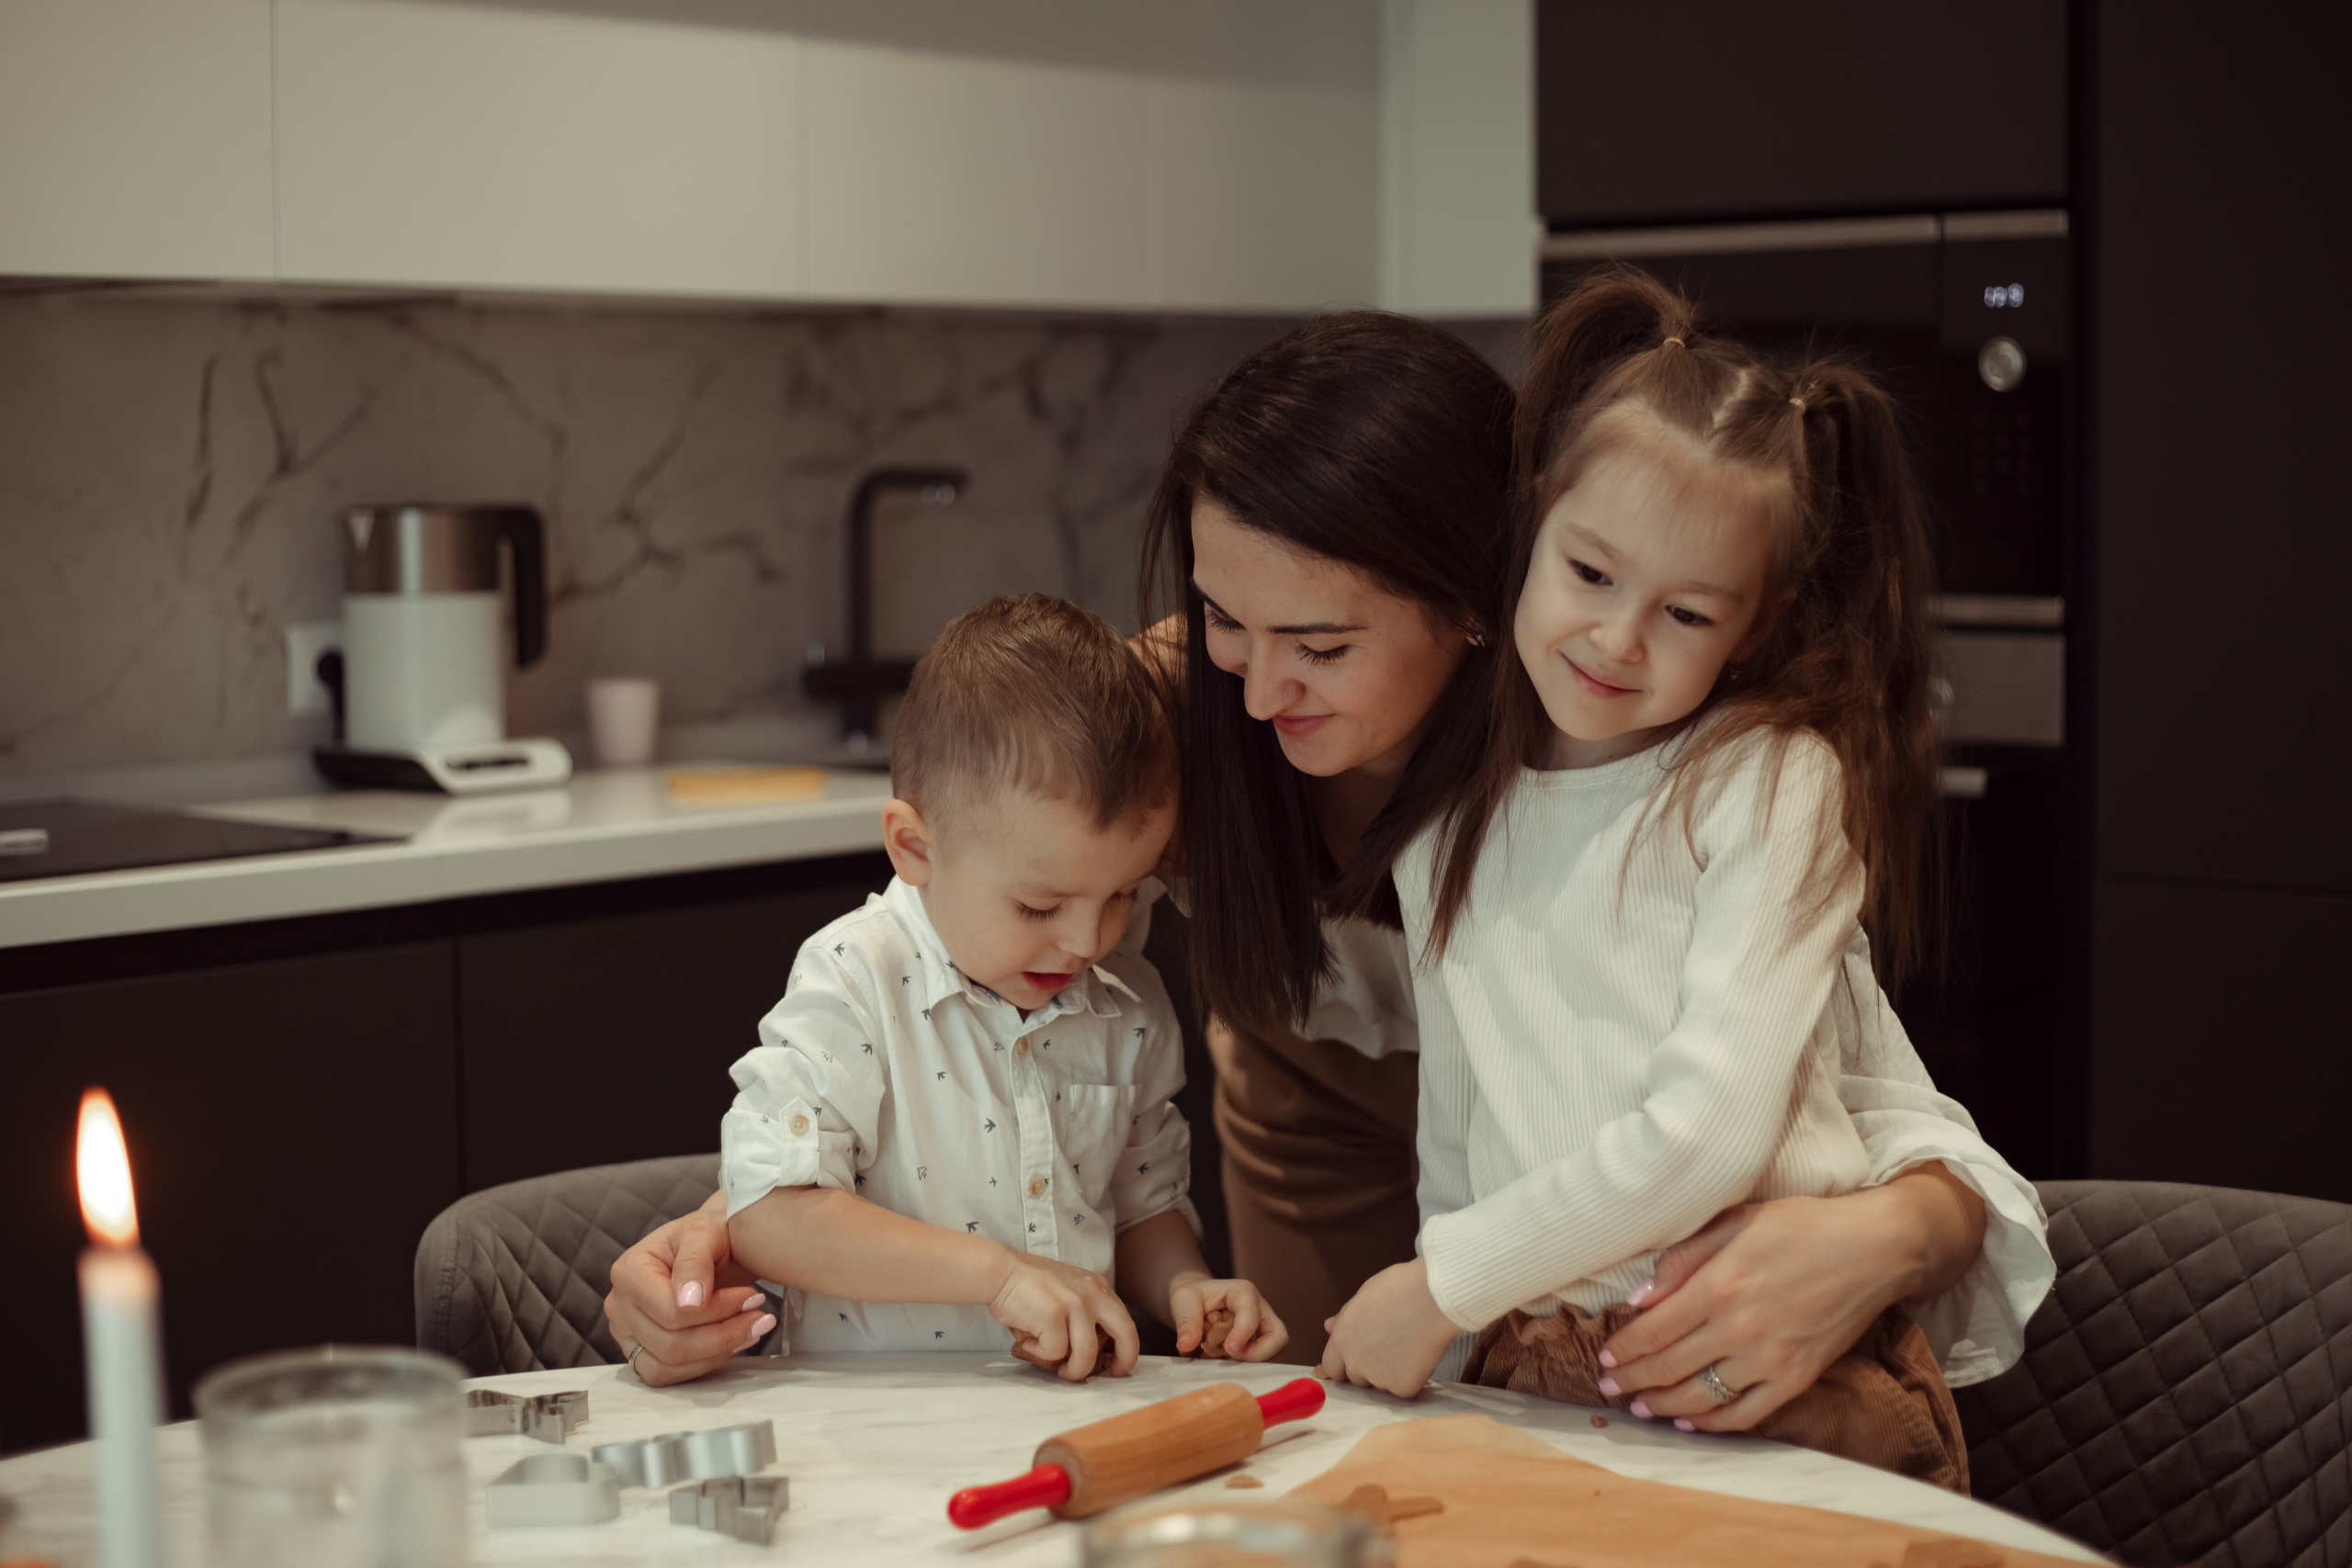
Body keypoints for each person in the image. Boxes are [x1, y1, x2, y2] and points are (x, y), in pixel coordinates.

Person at [606, 315, 2048, 1430]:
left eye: (1323, 643)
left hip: (1589, 1191)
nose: (1255, 679)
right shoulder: (1180, 713)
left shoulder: (1632, 742)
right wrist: (728, 1231)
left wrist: (1884, 1231)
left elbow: (1865, 1094)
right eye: (1224, 613)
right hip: (1313, 1131)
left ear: (1483, 603)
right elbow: (938, 962)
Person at [1316, 268, 2000, 1490]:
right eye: (1589, 572)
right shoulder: (1449, 825)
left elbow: (1713, 1134)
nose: (1618, 639)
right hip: (1538, 1355)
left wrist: (1440, 1283)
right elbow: (1460, 1149)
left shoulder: (1766, 779)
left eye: (1686, 612)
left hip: (1777, 1368)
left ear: (1757, 619)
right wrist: (1458, 1319)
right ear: (1536, 519)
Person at [702, 593, 1285, 1381]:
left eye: (1124, 894)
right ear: (915, 846)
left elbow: (1142, 1204)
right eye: (1039, 905)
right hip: (872, 1435)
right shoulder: (854, 978)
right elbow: (769, 1214)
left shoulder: (1128, 1004)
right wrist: (999, 1273)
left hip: (1067, 1417)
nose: (1087, 941)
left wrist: (1186, 1285)